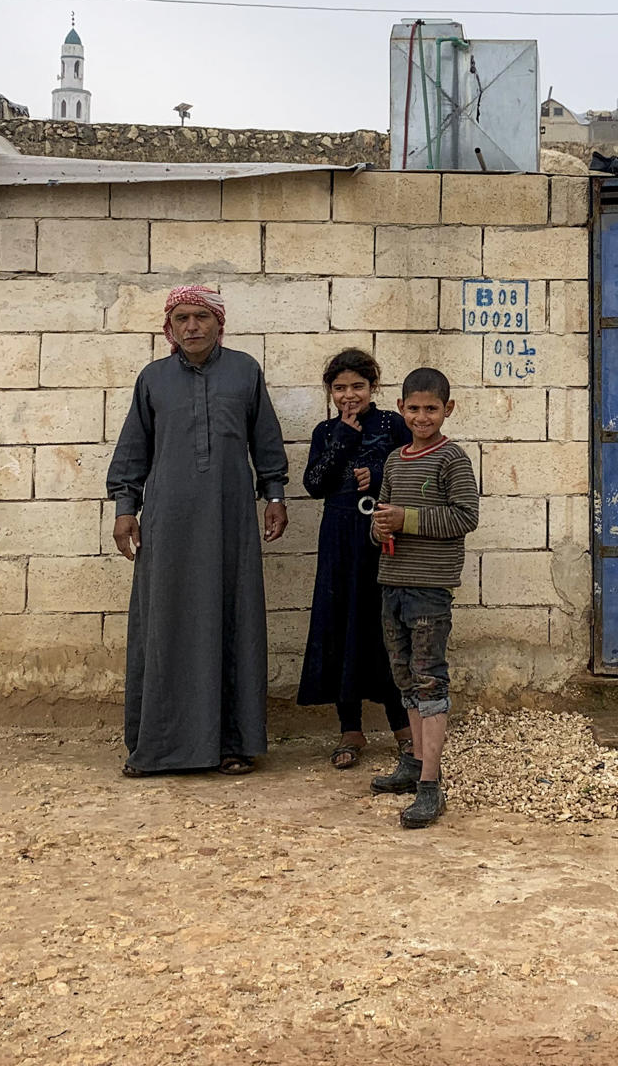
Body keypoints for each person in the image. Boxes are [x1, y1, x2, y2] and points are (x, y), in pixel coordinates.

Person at [107, 284, 289, 778]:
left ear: (218, 323)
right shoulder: (153, 380)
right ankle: (159, 747)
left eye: (201, 317)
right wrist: (126, 507)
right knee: (166, 622)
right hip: (168, 524)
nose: (192, 326)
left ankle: (232, 742)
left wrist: (274, 497)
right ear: (170, 326)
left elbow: (266, 442)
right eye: (182, 317)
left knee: (232, 617)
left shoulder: (245, 371)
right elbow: (133, 450)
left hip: (231, 522)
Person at [367, 367, 478, 828]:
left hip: (430, 589)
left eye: (431, 408)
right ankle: (414, 763)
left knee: (429, 679)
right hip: (392, 583)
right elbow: (385, 518)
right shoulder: (395, 461)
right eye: (414, 408)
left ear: (447, 409)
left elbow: (465, 516)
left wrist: (406, 519)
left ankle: (431, 784)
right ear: (401, 409)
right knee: (405, 677)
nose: (422, 416)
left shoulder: (452, 459)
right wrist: (378, 528)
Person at [296, 348, 413, 770]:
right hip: (339, 541)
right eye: (340, 387)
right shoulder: (325, 431)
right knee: (341, 625)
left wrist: (378, 475)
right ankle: (350, 729)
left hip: (383, 540)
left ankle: (403, 727)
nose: (349, 395)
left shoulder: (393, 424)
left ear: (372, 387)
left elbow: (413, 472)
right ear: (330, 391)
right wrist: (343, 440)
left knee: (387, 628)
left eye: (357, 386)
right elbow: (314, 483)